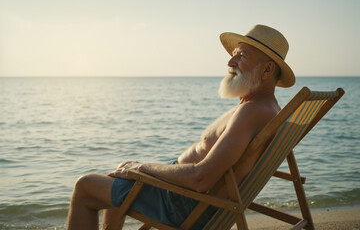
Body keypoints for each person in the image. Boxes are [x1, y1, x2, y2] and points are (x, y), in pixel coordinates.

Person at [66, 24, 295, 230]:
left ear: (266, 70)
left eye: (241, 56)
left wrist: (142, 167)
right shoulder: (267, 108)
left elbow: (200, 178)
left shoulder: (251, 112)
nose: (230, 62)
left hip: (186, 205)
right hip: (191, 198)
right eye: (233, 55)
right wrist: (137, 169)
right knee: (122, 170)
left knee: (85, 186)